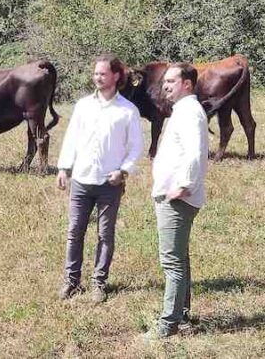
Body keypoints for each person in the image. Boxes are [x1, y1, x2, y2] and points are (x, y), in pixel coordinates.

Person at [56, 54, 143, 303]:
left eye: (103, 73)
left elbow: (136, 146)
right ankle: (71, 281)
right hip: (82, 180)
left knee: (105, 234)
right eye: (95, 73)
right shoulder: (83, 105)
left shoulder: (127, 110)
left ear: (116, 76)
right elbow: (71, 138)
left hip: (109, 183)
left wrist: (123, 170)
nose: (97, 77)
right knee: (74, 231)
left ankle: (98, 283)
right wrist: (64, 168)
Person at [145, 62, 209, 340]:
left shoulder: (190, 113)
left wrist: (183, 186)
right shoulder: (182, 111)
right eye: (165, 81)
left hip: (177, 198)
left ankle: (167, 324)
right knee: (179, 259)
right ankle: (181, 316)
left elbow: (195, 153)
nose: (166, 85)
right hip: (172, 194)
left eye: (171, 81)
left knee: (171, 262)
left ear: (187, 84)